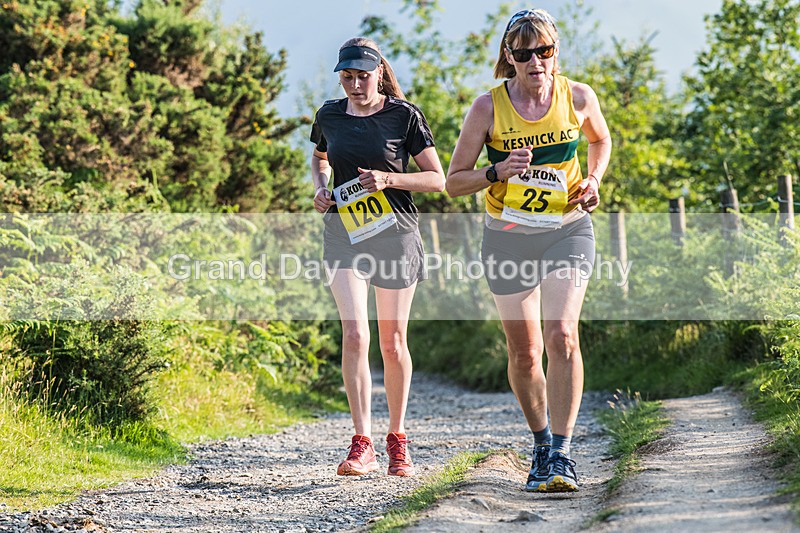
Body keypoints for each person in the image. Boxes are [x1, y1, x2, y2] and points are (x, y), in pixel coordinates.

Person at [446, 9, 612, 492]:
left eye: (544, 51)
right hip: (508, 237)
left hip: (567, 229)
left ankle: (561, 452)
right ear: (509, 58)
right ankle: (540, 442)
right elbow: (454, 183)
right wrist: (497, 172)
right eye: (524, 53)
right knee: (525, 354)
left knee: (562, 334)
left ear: (555, 52)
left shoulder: (578, 96)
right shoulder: (487, 108)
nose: (535, 61)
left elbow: (600, 139)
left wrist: (595, 180)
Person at [310, 37, 445, 477]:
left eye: (362, 77)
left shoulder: (403, 116)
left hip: (394, 233)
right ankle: (361, 442)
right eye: (346, 77)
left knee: (392, 341)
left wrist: (388, 179)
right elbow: (320, 157)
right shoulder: (329, 114)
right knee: (354, 335)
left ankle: (398, 439)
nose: (354, 85)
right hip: (344, 232)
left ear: (379, 74)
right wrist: (321, 187)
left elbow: (437, 179)